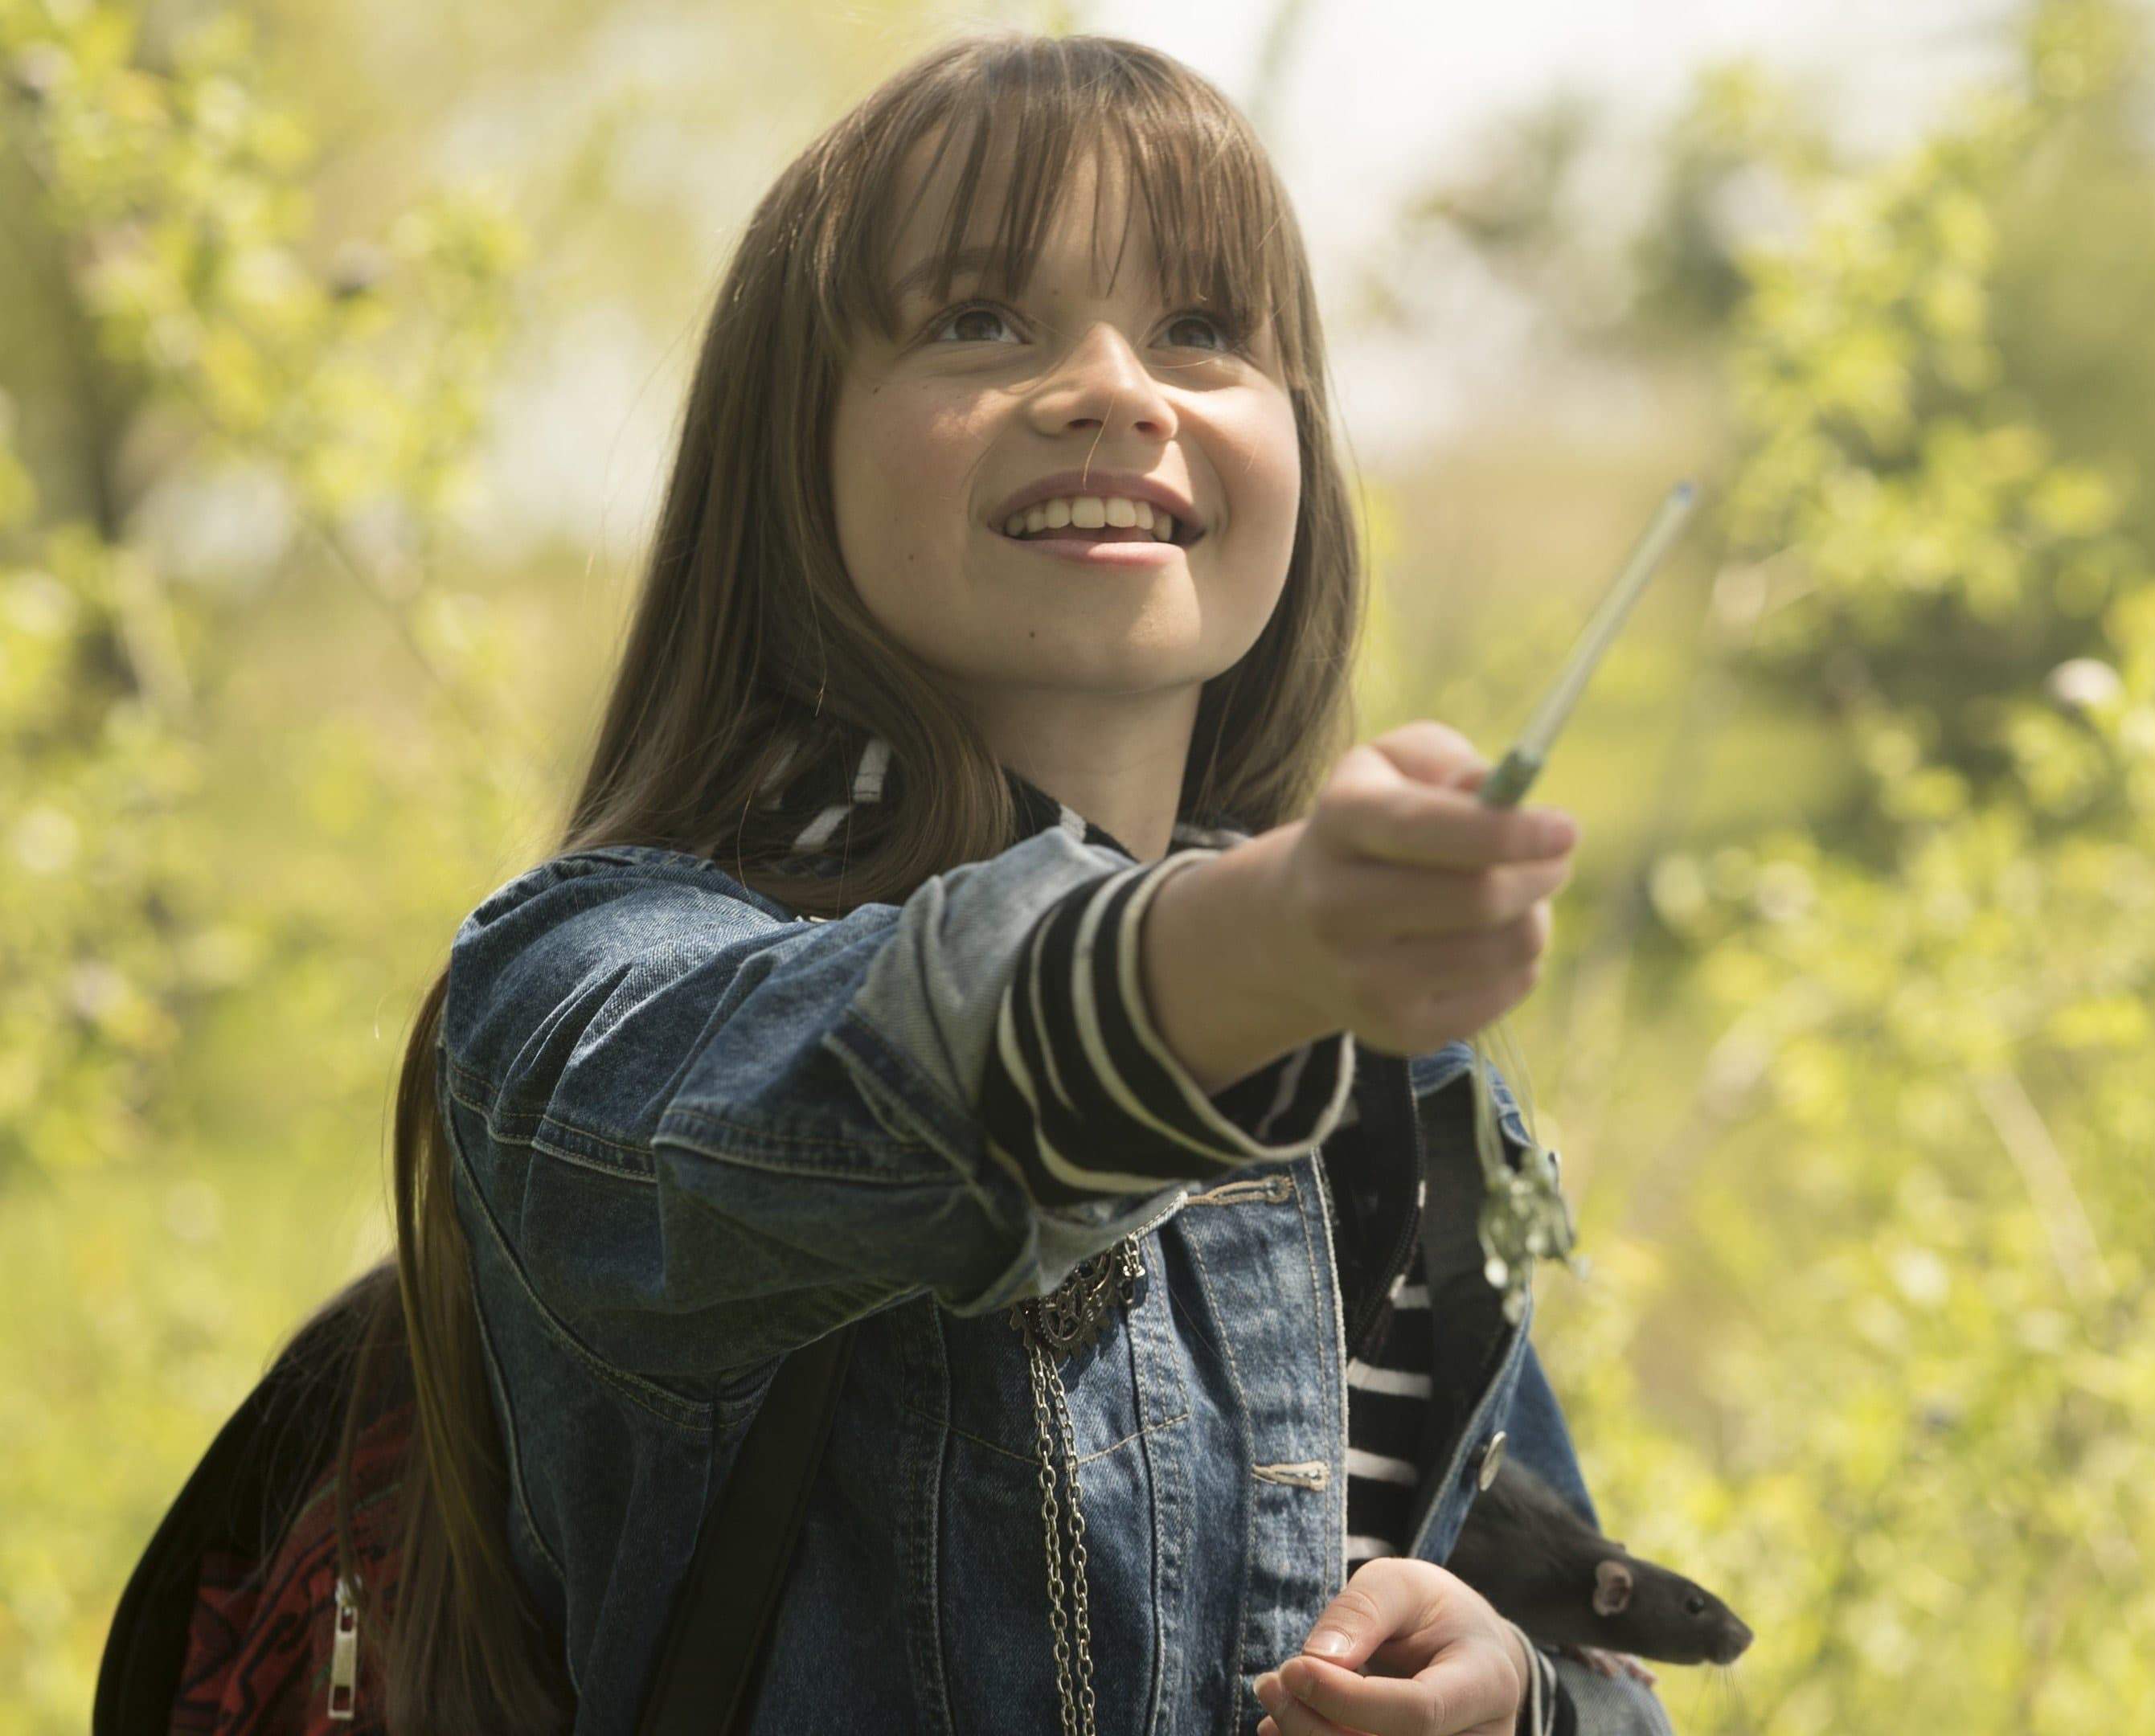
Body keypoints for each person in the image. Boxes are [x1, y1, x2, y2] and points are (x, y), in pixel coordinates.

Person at [348, 30, 1677, 1736]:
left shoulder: (1395, 1074)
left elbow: (1588, 1663)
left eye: (1204, 328)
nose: (1118, 386)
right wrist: (1254, 945)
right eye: (978, 319)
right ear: (789, 458)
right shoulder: (593, 987)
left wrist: (1511, 1697)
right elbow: (894, 1076)